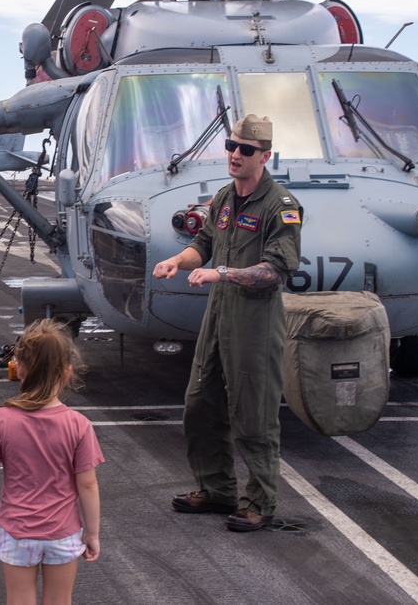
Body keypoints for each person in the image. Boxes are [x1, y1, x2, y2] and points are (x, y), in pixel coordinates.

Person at [152, 115, 302, 532]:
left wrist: (223, 273)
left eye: (246, 150)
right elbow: (204, 245)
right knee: (200, 406)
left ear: (265, 155)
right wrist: (176, 262)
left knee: (254, 416)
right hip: (218, 320)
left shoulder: (281, 207)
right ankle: (217, 490)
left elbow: (276, 270)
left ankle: (258, 501)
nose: (236, 154)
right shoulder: (223, 198)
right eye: (231, 146)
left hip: (254, 324)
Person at [0, 319, 102, 605]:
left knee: (19, 599)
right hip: (63, 531)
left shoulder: (1, 420)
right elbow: (88, 485)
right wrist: (92, 533)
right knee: (59, 599)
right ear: (67, 373)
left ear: (20, 370)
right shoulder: (79, 425)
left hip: (18, 530)